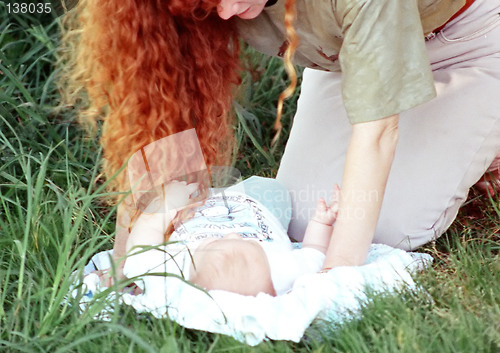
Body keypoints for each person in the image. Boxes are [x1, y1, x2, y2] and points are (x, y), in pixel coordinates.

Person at [60, 0, 500, 277]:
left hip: (467, 41)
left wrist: (337, 280)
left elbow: (378, 132)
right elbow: (163, 116)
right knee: (303, 220)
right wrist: (126, 264)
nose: (226, 13)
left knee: (383, 231)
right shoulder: (210, 4)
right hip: (348, 58)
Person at [124, 178, 340, 297]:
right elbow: (315, 253)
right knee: (272, 188)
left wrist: (168, 205)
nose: (232, 234)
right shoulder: (283, 272)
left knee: (170, 209)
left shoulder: (173, 272)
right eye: (247, 243)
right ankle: (218, 192)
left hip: (194, 215)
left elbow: (142, 241)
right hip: (252, 204)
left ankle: (204, 194)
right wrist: (322, 223)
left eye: (217, 242)